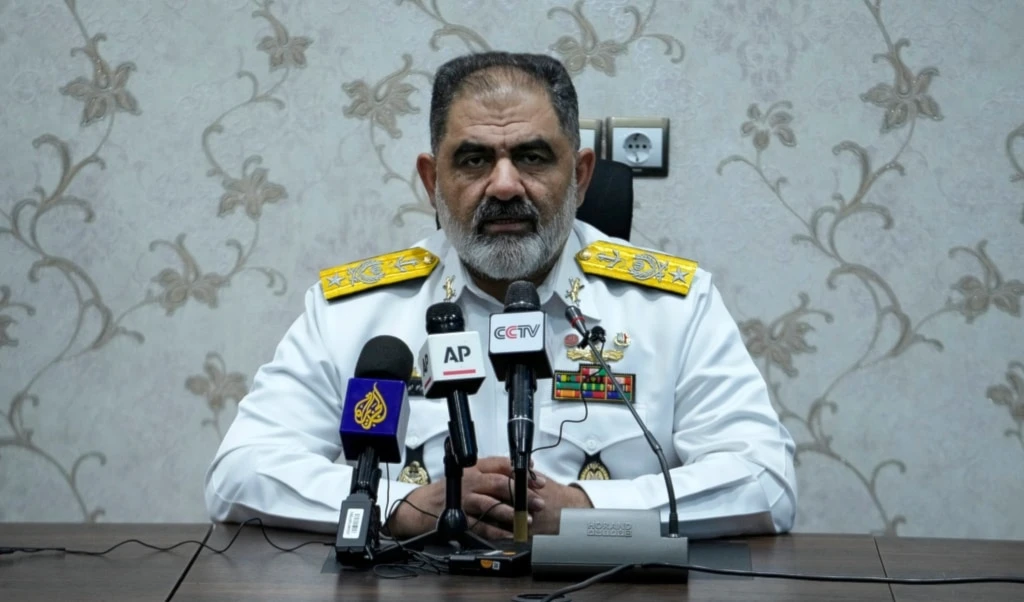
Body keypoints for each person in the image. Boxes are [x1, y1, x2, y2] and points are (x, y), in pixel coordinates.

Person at [204, 51, 798, 540]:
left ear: (582, 175)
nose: (506, 184)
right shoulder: (357, 312)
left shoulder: (673, 307)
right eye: (474, 159)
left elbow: (765, 479)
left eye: (533, 157)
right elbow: (238, 472)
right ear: (433, 182)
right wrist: (399, 503)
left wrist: (591, 509)